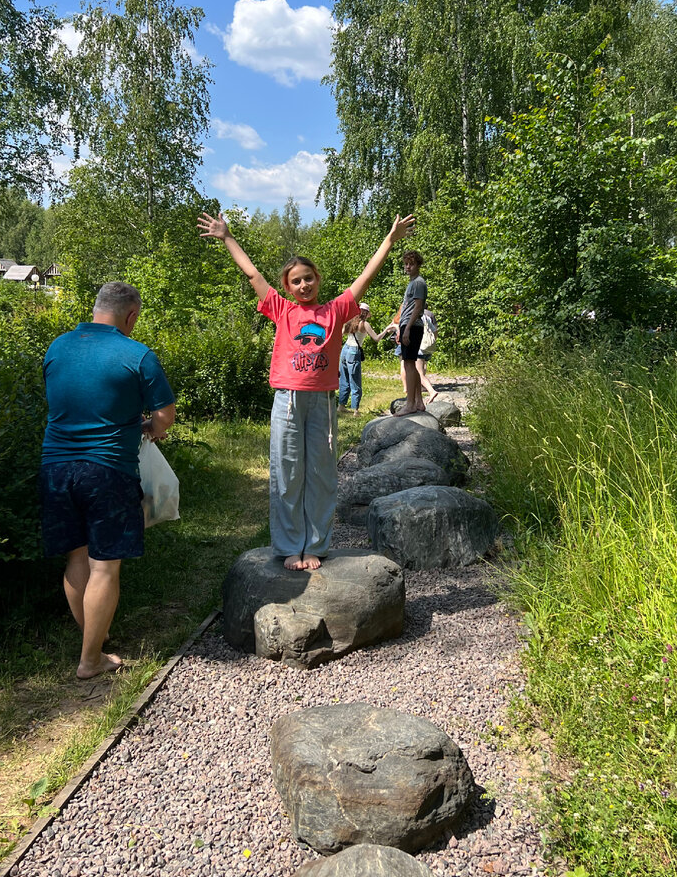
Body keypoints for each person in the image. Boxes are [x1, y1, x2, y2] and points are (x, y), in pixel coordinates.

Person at [197, 210, 415, 570]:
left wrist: (390, 239)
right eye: (296, 281)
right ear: (287, 287)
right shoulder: (281, 310)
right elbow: (252, 273)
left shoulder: (335, 311)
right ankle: (287, 547)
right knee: (286, 472)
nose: (303, 285)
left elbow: (366, 275)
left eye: (308, 278)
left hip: (322, 403)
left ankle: (314, 545)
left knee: (320, 474)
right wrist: (227, 236)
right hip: (287, 401)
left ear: (317, 279)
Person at [39, 282, 176, 679]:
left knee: (76, 558)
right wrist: (147, 426)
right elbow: (164, 419)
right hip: (107, 470)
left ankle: (92, 641)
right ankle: (90, 660)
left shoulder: (57, 348)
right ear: (131, 315)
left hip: (55, 467)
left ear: (97, 308)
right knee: (104, 567)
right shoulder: (137, 355)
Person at [393, 249, 427, 415]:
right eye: (406, 264)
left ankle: (411, 403)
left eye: (411, 264)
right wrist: (401, 328)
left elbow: (418, 307)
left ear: (418, 265)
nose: (408, 267)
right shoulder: (412, 283)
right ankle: (419, 402)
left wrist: (407, 329)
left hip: (413, 326)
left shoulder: (419, 282)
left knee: (409, 364)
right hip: (407, 325)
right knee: (411, 363)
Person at [338, 302, 388, 414]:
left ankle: (341, 406)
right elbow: (376, 338)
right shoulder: (364, 324)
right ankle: (355, 410)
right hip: (353, 351)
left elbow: (340, 334)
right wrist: (387, 330)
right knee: (355, 381)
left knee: (344, 379)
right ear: (366, 313)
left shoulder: (350, 321)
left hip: (345, 350)